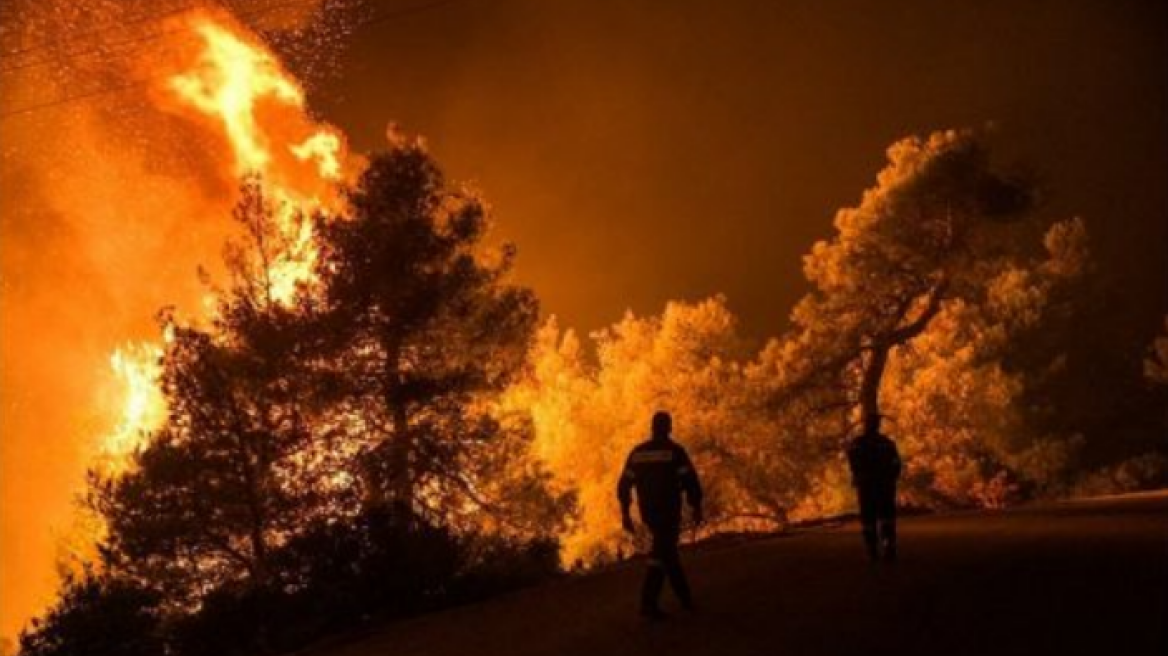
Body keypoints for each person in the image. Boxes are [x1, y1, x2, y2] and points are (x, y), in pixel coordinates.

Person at [617, 411, 703, 620]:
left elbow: (624, 485)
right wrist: (696, 506)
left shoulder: (637, 453)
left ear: (652, 427)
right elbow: (690, 480)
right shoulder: (675, 452)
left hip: (649, 513)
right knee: (661, 554)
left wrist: (626, 514)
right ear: (669, 427)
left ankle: (686, 600)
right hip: (669, 510)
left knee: (668, 552)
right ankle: (648, 604)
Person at [846, 413, 902, 562]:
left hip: (867, 486)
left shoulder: (857, 444)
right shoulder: (887, 443)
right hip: (884, 485)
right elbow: (897, 463)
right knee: (886, 516)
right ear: (878, 425)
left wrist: (858, 476)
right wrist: (892, 478)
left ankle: (872, 549)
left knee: (869, 519)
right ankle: (888, 545)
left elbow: (852, 463)